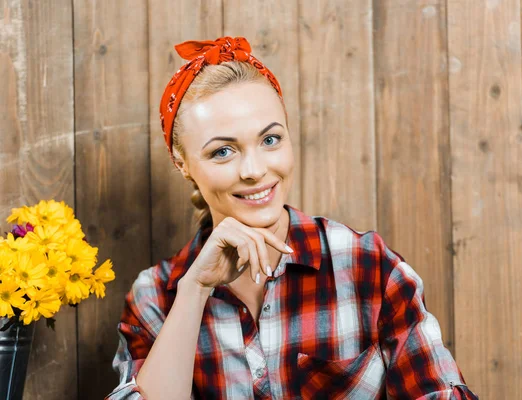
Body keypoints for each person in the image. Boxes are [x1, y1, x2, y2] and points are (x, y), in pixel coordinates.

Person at [105, 36, 478, 400]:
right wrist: (194, 290)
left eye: (270, 140)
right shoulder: (155, 296)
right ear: (182, 163)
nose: (254, 170)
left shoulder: (369, 265)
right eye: (222, 151)